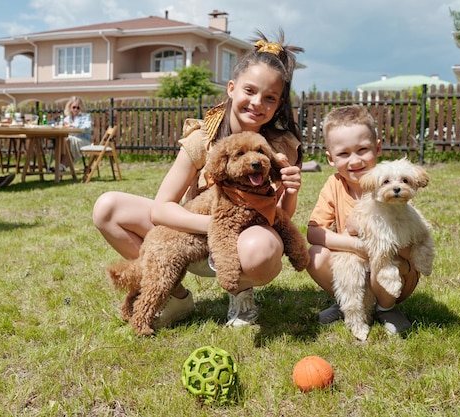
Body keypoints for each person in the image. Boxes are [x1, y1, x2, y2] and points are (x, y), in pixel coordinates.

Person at [92, 30, 304, 329]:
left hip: (245, 244)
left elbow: (281, 216)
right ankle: (174, 294)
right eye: (249, 91)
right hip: (191, 236)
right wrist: (220, 225)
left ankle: (241, 295)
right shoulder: (203, 137)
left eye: (269, 98)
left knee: (262, 248)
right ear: (232, 88)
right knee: (108, 207)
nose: (257, 103)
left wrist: (290, 191)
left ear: (279, 103)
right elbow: (161, 207)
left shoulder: (281, 145)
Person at [306, 105, 420, 335]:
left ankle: (386, 308)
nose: (355, 160)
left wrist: (379, 252)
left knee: (382, 264)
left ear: (377, 148)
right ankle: (347, 302)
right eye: (344, 153)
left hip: (396, 267)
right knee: (314, 255)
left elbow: (410, 240)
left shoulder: (390, 184)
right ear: (330, 158)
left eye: (362, 149)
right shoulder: (334, 185)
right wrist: (356, 246)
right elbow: (314, 232)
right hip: (354, 264)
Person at [61, 96, 92, 170]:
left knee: (68, 140)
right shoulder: (67, 118)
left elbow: (87, 128)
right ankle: (61, 165)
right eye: (74, 107)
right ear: (70, 107)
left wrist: (72, 125)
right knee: (61, 141)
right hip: (71, 140)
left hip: (83, 140)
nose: (76, 109)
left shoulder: (86, 117)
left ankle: (61, 165)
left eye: (78, 107)